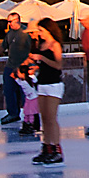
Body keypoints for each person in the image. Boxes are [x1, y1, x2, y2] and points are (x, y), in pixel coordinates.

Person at [28, 19, 67, 165]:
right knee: (44, 119)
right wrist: (36, 66)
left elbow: (58, 65)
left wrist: (42, 58)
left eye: (41, 30)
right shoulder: (40, 44)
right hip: (42, 84)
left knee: (51, 118)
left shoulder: (54, 45)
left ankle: (57, 150)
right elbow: (43, 65)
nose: (39, 33)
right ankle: (47, 148)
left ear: (49, 30)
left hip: (53, 85)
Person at [0, 17, 31, 124]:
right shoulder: (10, 33)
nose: (8, 24)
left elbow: (32, 49)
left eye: (10, 21)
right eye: (8, 21)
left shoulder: (25, 33)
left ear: (17, 20)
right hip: (10, 66)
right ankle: (13, 113)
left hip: (22, 67)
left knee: (25, 91)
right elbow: (4, 45)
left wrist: (27, 64)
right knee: (8, 89)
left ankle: (29, 115)